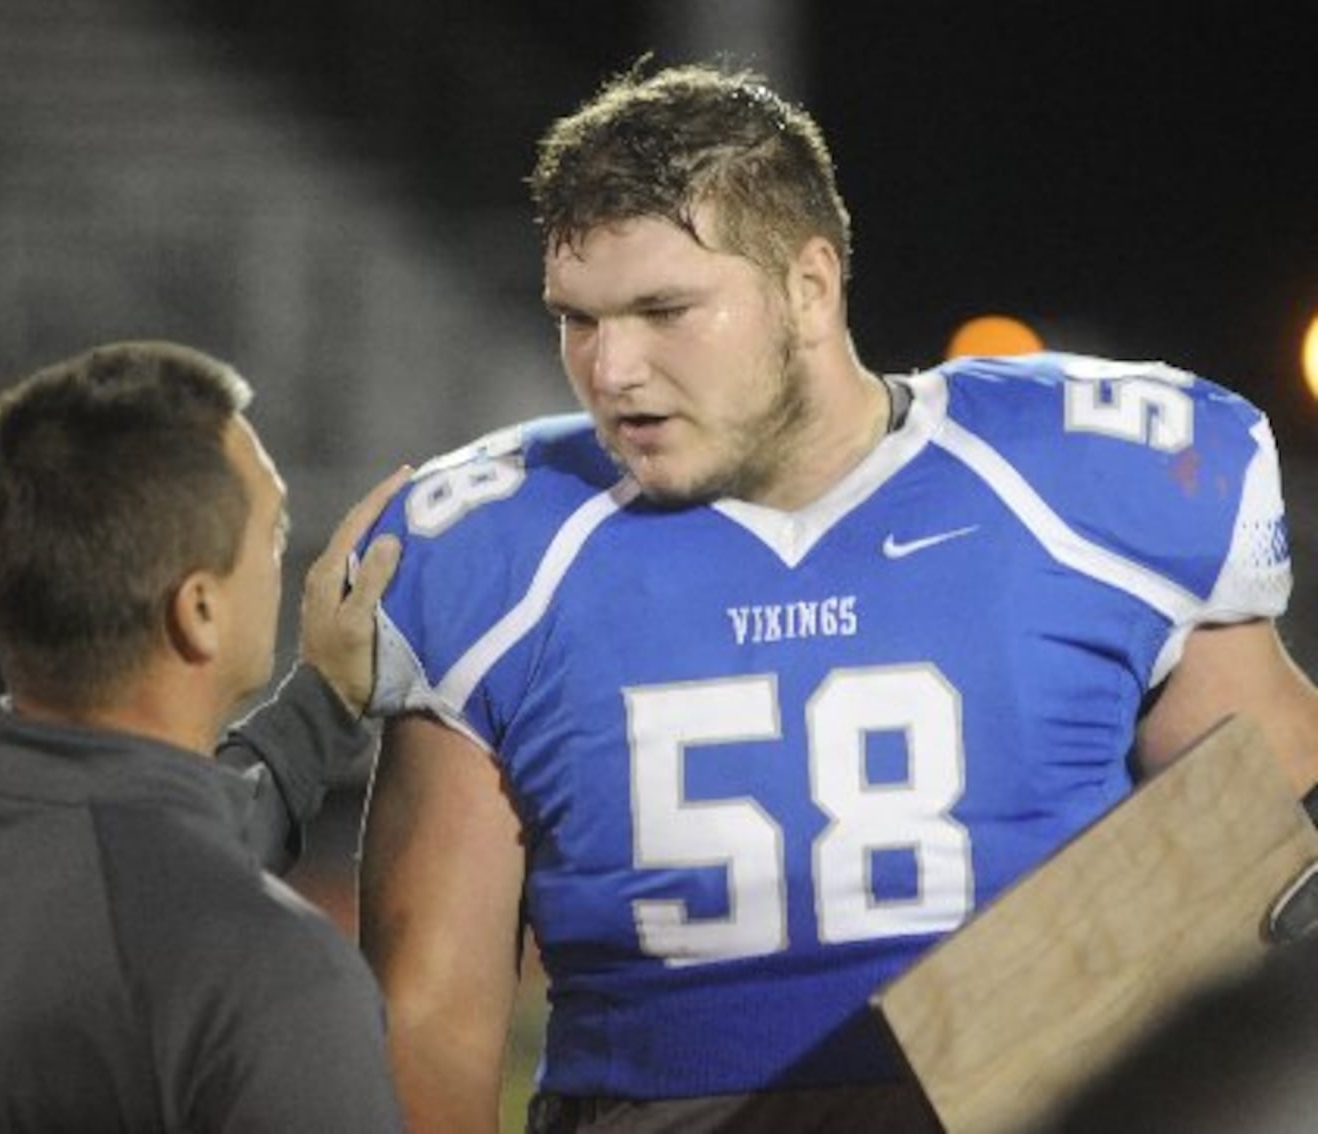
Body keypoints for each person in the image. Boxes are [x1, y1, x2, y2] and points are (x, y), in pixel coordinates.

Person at [354, 61, 1318, 1132]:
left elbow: (1277, 848)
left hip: (1033, 1097)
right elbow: (428, 1017)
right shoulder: (493, 548)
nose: (611, 367)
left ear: (809, 287)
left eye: (663, 309)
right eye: (576, 319)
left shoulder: (1084, 484)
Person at [0, 341, 409, 1132]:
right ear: (198, 610)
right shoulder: (283, 980)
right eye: (274, 528)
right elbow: (162, 904)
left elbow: (127, 876)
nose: (284, 557)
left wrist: (324, 699)